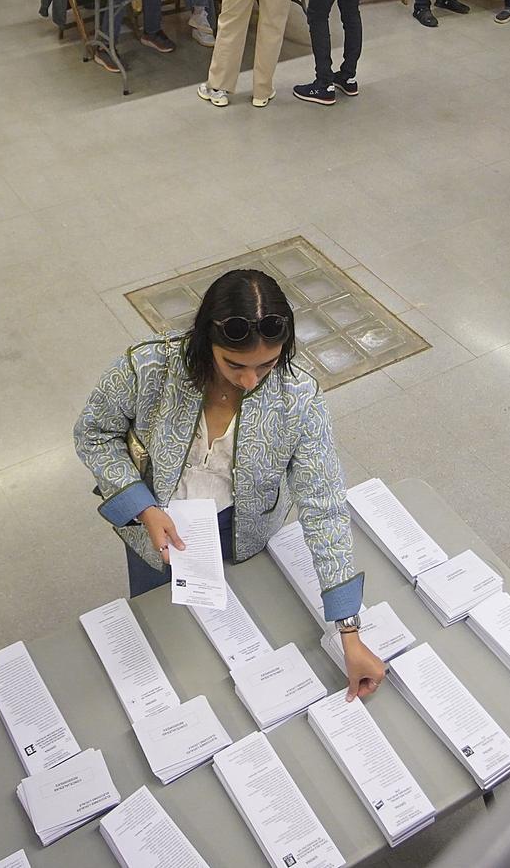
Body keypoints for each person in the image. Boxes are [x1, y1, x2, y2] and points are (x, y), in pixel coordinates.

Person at [73, 269, 386, 701]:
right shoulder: (148, 369)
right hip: (153, 526)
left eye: (267, 365)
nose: (250, 381)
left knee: (231, 643)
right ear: (206, 341)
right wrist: (143, 507)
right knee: (161, 632)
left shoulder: (297, 398)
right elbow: (93, 433)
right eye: (234, 364)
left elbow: (324, 504)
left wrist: (349, 631)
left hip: (242, 532)